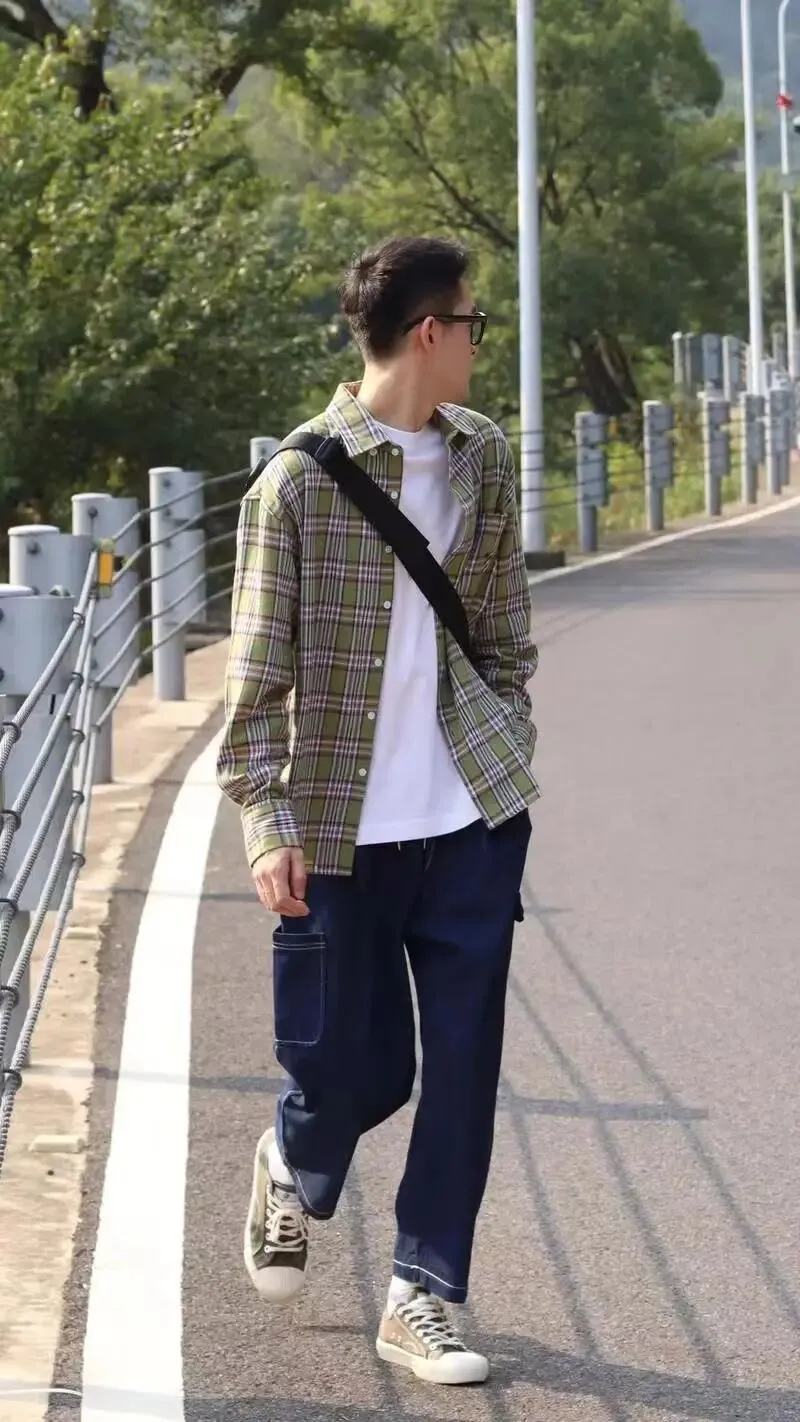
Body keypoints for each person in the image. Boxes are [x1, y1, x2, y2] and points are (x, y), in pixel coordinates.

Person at [217, 235, 538, 1386]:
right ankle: (291, 1161)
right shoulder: (296, 484)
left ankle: (421, 1294)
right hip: (341, 825)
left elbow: (501, 629)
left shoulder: (481, 457)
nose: (478, 344)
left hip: (467, 818)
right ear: (427, 333)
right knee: (361, 1073)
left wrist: (508, 732)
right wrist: (267, 822)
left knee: (461, 1066)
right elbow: (255, 678)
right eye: (472, 324)